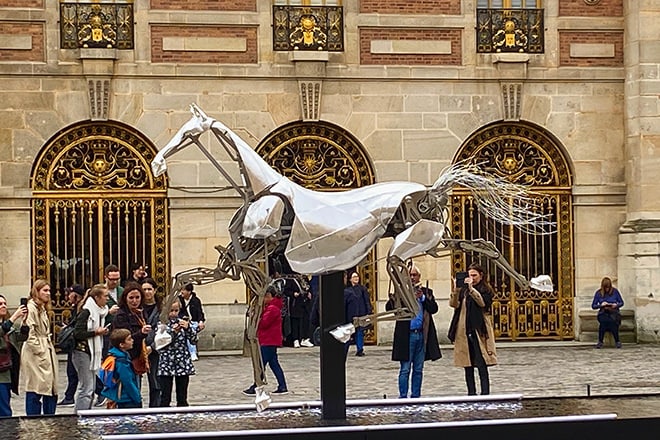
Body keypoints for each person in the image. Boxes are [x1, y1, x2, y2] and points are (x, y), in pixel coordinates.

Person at [385, 265, 441, 398]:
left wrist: (422, 298)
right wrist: (397, 294)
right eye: (409, 275)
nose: (412, 278)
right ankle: (403, 396)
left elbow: (433, 308)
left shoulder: (427, 291)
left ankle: (416, 396)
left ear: (419, 277)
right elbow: (389, 308)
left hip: (422, 334)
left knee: (418, 369)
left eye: (414, 275)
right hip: (407, 335)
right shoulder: (401, 292)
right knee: (405, 369)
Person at [448, 263, 497, 396]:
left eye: (474, 275)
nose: (472, 278)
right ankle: (471, 392)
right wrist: (456, 290)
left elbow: (482, 303)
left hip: (478, 330)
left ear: (481, 276)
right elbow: (454, 304)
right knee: (467, 364)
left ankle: (485, 393)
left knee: (481, 363)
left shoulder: (485, 290)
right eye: (469, 275)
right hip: (464, 330)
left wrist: (471, 289)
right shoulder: (463, 291)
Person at [21, 279, 59, 415]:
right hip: (36, 353)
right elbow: (29, 332)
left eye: (49, 290)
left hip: (45, 348)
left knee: (50, 387)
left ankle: (49, 417)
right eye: (45, 290)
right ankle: (34, 420)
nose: (48, 293)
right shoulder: (31, 308)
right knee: (36, 387)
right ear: (36, 291)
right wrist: (40, 350)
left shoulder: (41, 308)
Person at [243, 285, 288, 396]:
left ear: (268, 296)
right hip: (270, 340)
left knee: (261, 364)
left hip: (269, 340)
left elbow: (263, 323)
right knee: (274, 364)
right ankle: (282, 386)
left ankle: (256, 385)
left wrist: (256, 316)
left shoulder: (272, 308)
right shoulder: (271, 307)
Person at [71, 284, 110, 412]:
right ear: (97, 297)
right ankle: (79, 415)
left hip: (91, 352)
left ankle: (86, 412)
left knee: (91, 387)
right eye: (105, 296)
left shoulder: (100, 311)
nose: (107, 299)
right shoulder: (87, 311)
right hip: (82, 351)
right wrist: (95, 332)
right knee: (86, 387)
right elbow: (78, 333)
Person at [157, 298, 197, 407]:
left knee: (182, 396)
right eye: (171, 311)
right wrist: (173, 332)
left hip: (182, 362)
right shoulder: (161, 324)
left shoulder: (182, 322)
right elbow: (160, 342)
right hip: (166, 363)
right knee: (165, 397)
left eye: (176, 310)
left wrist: (188, 328)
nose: (174, 314)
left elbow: (194, 340)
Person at [112, 282, 151, 386]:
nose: (135, 301)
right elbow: (124, 339)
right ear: (125, 298)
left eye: (137, 297)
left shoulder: (141, 312)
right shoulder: (121, 315)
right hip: (126, 357)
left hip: (138, 355)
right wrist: (141, 333)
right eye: (131, 298)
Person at [95, 264, 121, 407]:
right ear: (106, 277)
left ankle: (115, 393)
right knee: (103, 364)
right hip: (105, 332)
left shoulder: (122, 291)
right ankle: (102, 393)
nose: (115, 282)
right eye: (112, 279)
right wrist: (108, 312)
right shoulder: (100, 291)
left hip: (119, 333)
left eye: (117, 279)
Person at [0, 294, 28, 417]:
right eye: (0, 304)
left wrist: (24, 322)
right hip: (1, 373)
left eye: (5, 303)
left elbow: (21, 337)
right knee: (4, 409)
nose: (4, 306)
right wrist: (15, 316)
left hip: (7, 370)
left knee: (5, 403)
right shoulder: (7, 325)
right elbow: (1, 331)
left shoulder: (9, 326)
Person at [57, 284, 85, 407]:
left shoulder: (82, 308)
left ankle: (101, 392)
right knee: (73, 372)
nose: (68, 296)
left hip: (78, 345)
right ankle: (69, 396)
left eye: (70, 294)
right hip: (74, 345)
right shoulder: (76, 307)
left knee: (76, 372)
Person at [101, 328, 142, 409]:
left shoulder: (114, 355)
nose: (132, 340)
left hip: (119, 396)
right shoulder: (121, 361)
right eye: (129, 339)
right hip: (126, 398)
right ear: (122, 345)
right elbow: (127, 381)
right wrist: (137, 398)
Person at [142, 278, 163, 407]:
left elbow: (164, 331)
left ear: (154, 290)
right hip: (140, 346)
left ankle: (155, 407)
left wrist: (152, 347)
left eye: (149, 289)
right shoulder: (137, 306)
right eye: (144, 289)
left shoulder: (161, 308)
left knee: (156, 381)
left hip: (156, 348)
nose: (147, 292)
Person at [343, 271, 372, 357]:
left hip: (361, 313)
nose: (356, 278)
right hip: (350, 314)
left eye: (357, 277)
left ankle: (360, 349)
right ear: (350, 279)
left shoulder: (363, 289)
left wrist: (368, 312)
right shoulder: (347, 290)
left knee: (360, 332)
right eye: (354, 277)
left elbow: (367, 301)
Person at [591, 277, 624, 349]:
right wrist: (601, 305)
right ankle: (600, 341)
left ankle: (617, 341)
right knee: (604, 322)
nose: (607, 289)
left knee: (612, 322)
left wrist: (616, 305)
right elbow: (593, 306)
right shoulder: (598, 293)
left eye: (608, 287)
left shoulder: (615, 292)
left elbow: (621, 303)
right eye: (605, 288)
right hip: (603, 312)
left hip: (613, 312)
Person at [178, 283, 206, 361]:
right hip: (182, 322)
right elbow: (178, 313)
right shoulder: (179, 299)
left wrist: (201, 321)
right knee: (189, 331)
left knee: (191, 330)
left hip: (193, 322)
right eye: (181, 290)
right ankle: (192, 352)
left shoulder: (195, 300)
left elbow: (200, 313)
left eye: (183, 290)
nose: (181, 292)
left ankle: (192, 352)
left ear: (189, 291)